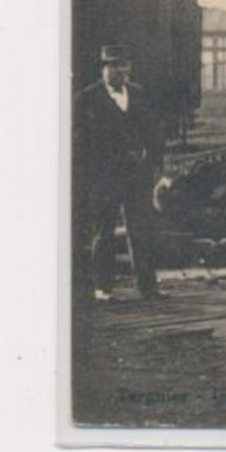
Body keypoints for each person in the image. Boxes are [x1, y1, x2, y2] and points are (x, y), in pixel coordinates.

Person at [73, 44, 164, 302]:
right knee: (104, 231)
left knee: (141, 230)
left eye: (125, 65)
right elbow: (80, 144)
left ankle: (148, 288)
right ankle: (103, 288)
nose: (121, 70)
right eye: (114, 65)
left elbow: (153, 133)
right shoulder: (86, 98)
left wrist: (154, 164)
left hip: (137, 176)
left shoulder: (138, 94)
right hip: (105, 178)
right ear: (103, 68)